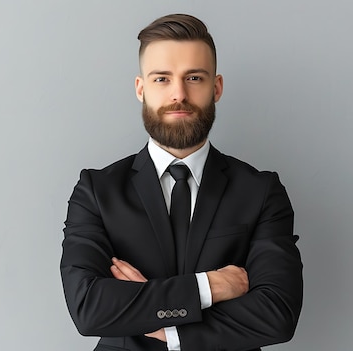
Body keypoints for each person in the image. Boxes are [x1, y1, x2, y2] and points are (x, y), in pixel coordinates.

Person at [60, 13, 303, 351]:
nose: (179, 94)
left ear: (215, 87)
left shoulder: (261, 192)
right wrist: (209, 287)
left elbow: (277, 313)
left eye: (194, 77)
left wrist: (164, 328)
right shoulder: (97, 191)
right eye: (162, 79)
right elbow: (89, 308)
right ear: (140, 89)